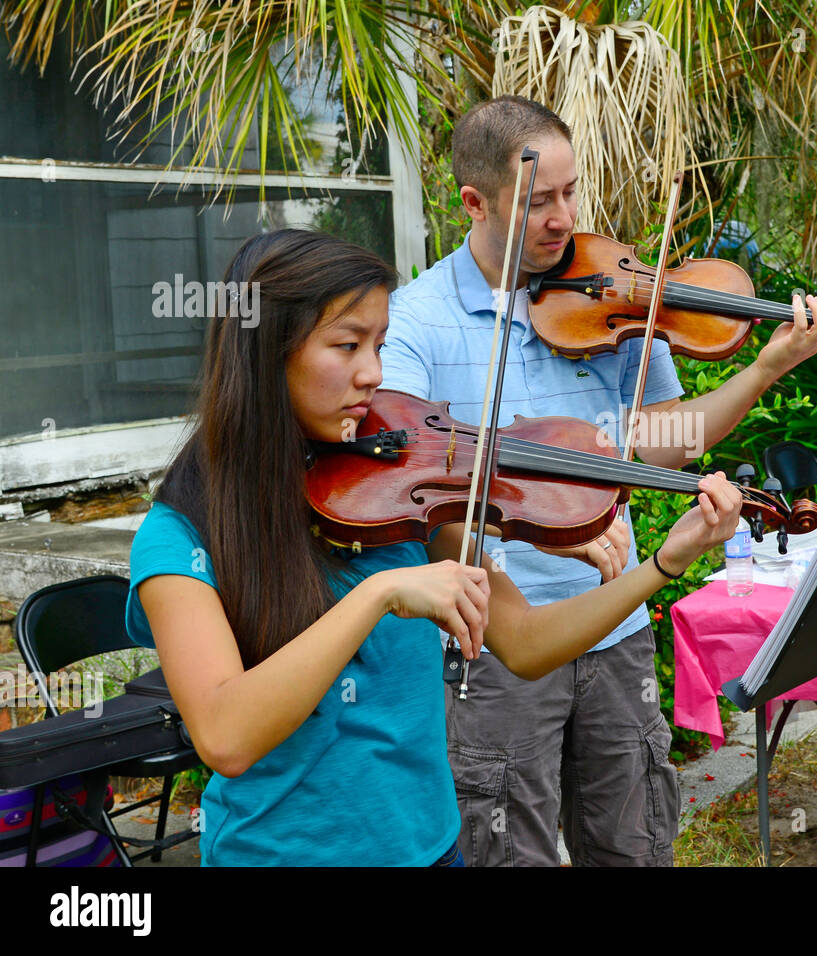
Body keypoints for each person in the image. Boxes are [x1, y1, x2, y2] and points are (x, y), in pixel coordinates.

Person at [124, 229, 742, 866]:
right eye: (347, 345)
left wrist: (664, 563)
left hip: (431, 849)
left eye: (380, 345)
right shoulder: (181, 537)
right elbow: (225, 736)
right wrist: (379, 593)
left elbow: (526, 643)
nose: (374, 374)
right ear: (266, 354)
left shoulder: (395, 497)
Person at [382, 96, 817, 866]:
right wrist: (552, 517)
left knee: (632, 845)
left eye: (571, 192)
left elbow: (663, 441)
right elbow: (411, 480)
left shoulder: (612, 297)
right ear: (474, 202)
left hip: (617, 631)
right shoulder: (416, 322)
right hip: (493, 643)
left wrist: (767, 368)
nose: (565, 219)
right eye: (540, 202)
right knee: (508, 851)